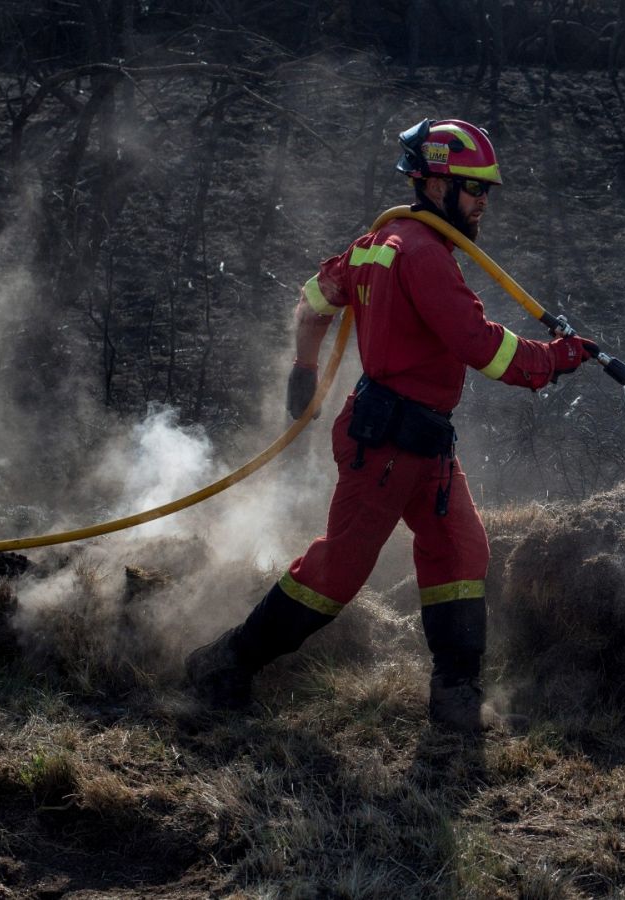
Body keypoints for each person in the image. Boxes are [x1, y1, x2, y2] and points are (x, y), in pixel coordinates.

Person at [184, 118, 594, 731]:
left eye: (488, 190)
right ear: (434, 184)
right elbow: (483, 348)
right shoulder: (422, 255)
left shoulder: (381, 244)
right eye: (475, 188)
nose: (484, 202)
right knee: (340, 570)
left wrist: (303, 365)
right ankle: (225, 664)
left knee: (461, 550)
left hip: (424, 438)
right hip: (386, 443)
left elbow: (312, 301)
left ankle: (455, 697)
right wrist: (557, 358)